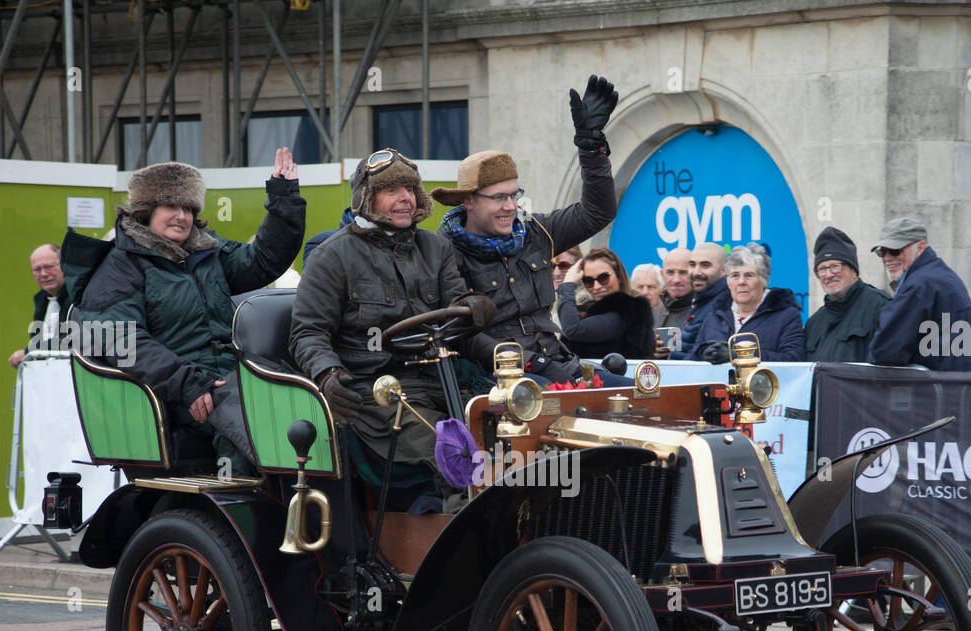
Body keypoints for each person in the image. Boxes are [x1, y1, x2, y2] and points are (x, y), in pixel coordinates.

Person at [64, 149, 305, 476]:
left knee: (305, 405)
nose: (182, 216)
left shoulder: (207, 252)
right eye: (171, 206)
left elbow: (264, 260)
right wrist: (188, 384)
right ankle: (265, 514)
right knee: (257, 423)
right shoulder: (120, 267)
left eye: (189, 208)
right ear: (146, 210)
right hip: (172, 392)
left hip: (228, 378)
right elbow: (124, 341)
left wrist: (284, 199)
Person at [289, 148, 492, 479]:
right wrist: (328, 374)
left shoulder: (436, 248)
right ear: (367, 198)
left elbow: (459, 320)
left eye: (410, 189)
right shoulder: (332, 256)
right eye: (391, 190)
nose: (406, 199)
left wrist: (485, 323)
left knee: (510, 436)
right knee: (453, 459)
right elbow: (307, 333)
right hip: (376, 394)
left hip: (442, 382)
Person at [433, 75, 620, 384]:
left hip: (560, 362)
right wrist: (530, 363)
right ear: (468, 201)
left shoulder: (536, 231)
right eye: (498, 198)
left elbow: (597, 211)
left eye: (514, 195)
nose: (510, 206)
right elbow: (461, 336)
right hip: (501, 378)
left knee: (636, 398)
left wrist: (591, 148)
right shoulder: (444, 252)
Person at [866, 217, 971, 371]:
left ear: (921, 247)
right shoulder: (940, 276)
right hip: (955, 386)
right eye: (882, 252)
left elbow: (885, 351)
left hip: (936, 389)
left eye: (895, 250)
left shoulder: (920, 285)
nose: (887, 258)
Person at [693, 244, 803, 362]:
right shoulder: (714, 316)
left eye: (749, 275)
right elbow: (691, 359)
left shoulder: (787, 316)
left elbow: (793, 360)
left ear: (764, 280)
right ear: (728, 282)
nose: (741, 282)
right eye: (735, 275)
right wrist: (702, 353)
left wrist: (738, 355)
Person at [804, 227, 891, 362]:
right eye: (822, 269)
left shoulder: (881, 307)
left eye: (835, 266)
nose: (828, 275)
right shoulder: (814, 323)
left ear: (854, 271)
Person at [556, 247, 655, 361]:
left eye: (603, 278)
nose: (597, 287)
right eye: (589, 281)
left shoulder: (629, 309)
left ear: (619, 276)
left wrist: (567, 284)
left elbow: (573, 329)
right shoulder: (588, 309)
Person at [8, 243, 70, 368]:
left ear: (64, 265)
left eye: (49, 267)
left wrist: (28, 352)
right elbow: (38, 341)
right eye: (37, 269)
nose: (43, 274)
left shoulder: (79, 298)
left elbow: (72, 341)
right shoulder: (41, 300)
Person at [677, 242, 730, 352]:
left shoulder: (724, 305)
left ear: (724, 270)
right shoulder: (701, 300)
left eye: (705, 265)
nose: (696, 272)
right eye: (692, 265)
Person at [651, 247, 694, 330]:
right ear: (662, 274)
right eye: (670, 272)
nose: (676, 280)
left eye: (683, 272)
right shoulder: (653, 315)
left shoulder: (707, 313)